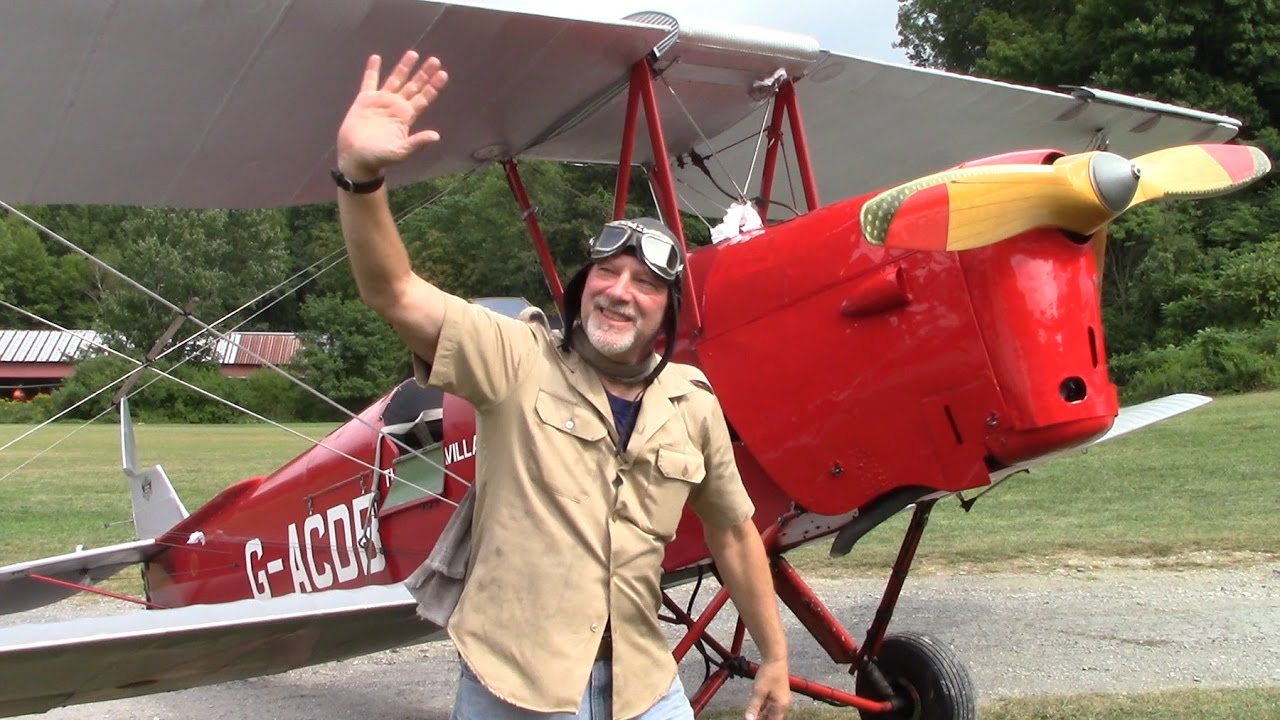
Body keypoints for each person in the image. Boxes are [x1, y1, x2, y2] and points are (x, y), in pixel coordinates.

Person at [335, 50, 791, 720]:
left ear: (668, 315)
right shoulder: (517, 357)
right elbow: (394, 292)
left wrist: (776, 656)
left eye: (645, 284)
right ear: (582, 289)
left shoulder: (691, 401)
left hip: (644, 684)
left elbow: (733, 532)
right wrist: (359, 178)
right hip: (516, 684)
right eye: (607, 273)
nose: (619, 291)